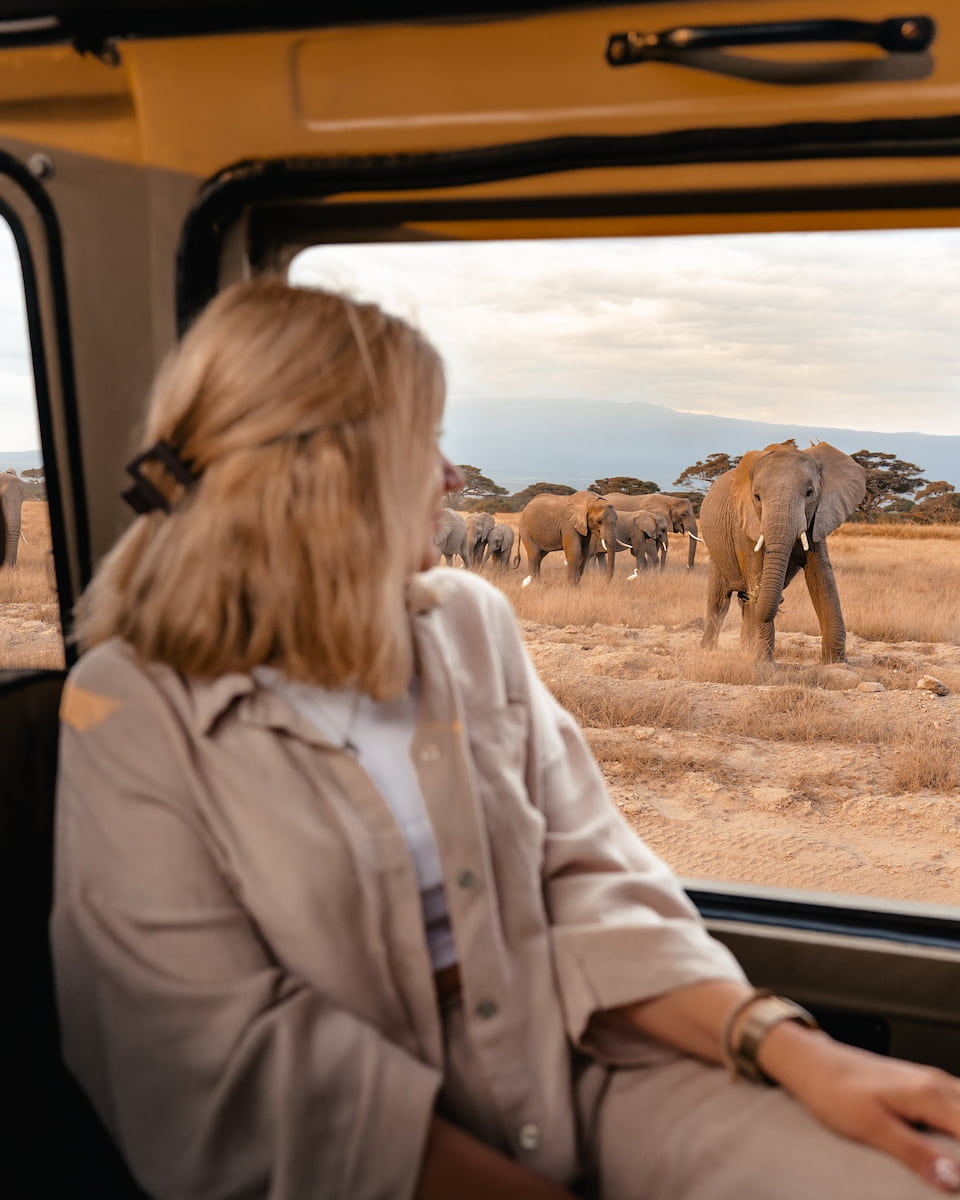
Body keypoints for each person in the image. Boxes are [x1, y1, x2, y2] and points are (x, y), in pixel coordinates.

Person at [52, 279, 960, 1200]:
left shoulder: (464, 625)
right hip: (364, 1160)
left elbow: (592, 876)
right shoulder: (128, 711)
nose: (451, 480)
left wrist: (790, 1050)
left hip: (586, 1064)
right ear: (322, 473)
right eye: (424, 445)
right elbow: (229, 1067)